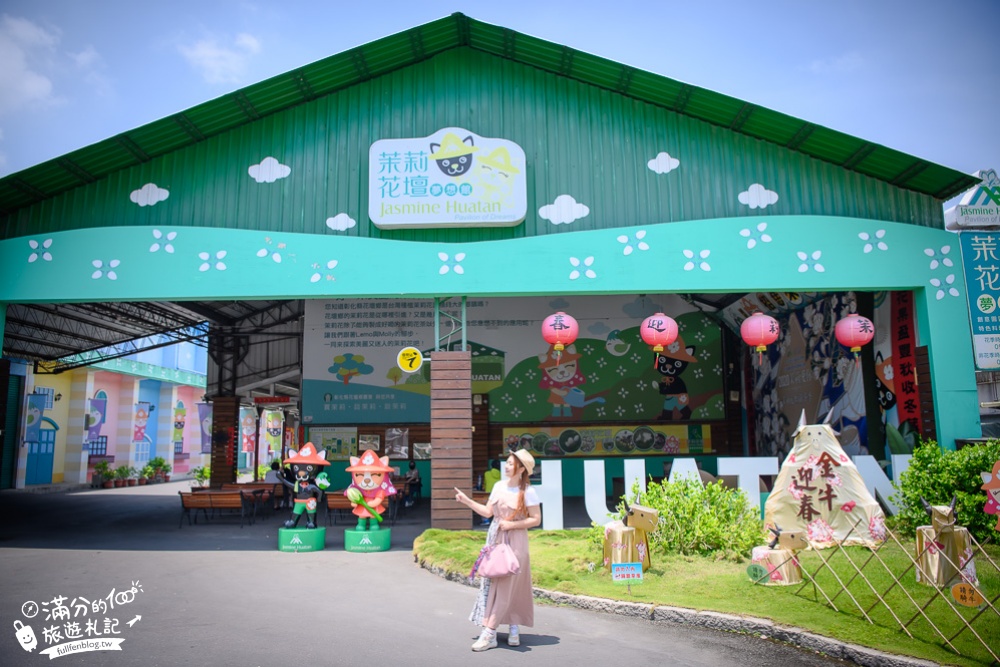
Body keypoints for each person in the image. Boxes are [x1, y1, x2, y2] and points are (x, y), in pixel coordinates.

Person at [454, 449, 541, 652]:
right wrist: (466, 500)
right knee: (497, 583)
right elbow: (487, 512)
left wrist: (512, 526)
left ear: (521, 469)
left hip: (517, 541)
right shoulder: (498, 487)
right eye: (507, 462)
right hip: (496, 539)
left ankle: (490, 632)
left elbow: (536, 519)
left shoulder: (528, 491)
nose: (507, 466)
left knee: (510, 585)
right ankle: (512, 628)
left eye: (511, 463)